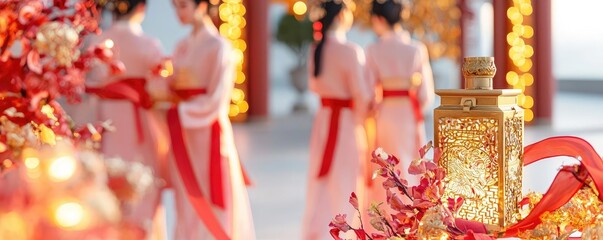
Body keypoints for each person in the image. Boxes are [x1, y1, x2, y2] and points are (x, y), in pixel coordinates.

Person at [81, 0, 170, 238]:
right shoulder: (149, 45)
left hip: (106, 118)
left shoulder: (98, 42)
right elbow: (159, 87)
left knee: (107, 179)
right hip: (140, 118)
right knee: (144, 182)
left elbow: (89, 82)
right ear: (141, 8)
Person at [168, 0, 255, 239]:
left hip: (208, 131)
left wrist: (179, 112)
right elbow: (172, 85)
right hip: (184, 133)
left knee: (215, 197)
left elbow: (217, 100)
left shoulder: (219, 46)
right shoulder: (182, 45)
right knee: (185, 199)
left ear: (202, 5)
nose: (178, 12)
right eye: (174, 6)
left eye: (183, 5)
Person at [302, 1, 372, 239]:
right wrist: (364, 120)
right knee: (347, 181)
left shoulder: (316, 48)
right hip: (345, 122)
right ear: (342, 16)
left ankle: (318, 230)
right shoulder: (351, 51)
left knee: (322, 181)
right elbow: (361, 94)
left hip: (323, 120)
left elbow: (313, 85)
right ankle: (347, 233)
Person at [364, 0, 435, 206]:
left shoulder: (372, 50)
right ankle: (412, 214)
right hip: (409, 112)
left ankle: (387, 217)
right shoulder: (416, 49)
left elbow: (369, 92)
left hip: (386, 113)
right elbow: (425, 95)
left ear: (379, 19)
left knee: (386, 165)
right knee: (411, 163)